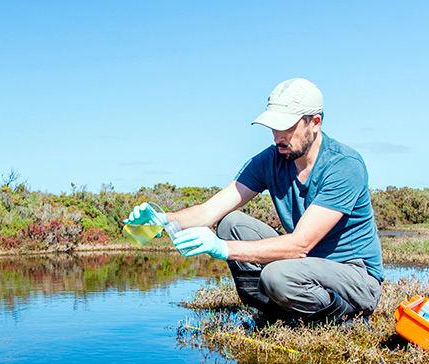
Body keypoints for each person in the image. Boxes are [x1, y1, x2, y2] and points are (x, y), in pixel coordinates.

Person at [124, 78, 384, 324]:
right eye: (274, 127)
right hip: (302, 268)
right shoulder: (272, 158)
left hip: (353, 275)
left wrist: (223, 248)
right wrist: (165, 219)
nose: (277, 136)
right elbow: (210, 211)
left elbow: (300, 245)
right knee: (231, 223)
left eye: (288, 127)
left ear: (314, 122)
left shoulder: (344, 165)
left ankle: (339, 319)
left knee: (277, 276)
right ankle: (269, 311)